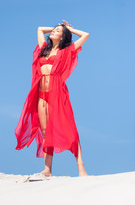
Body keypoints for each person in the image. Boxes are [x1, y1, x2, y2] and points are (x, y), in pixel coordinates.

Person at [15, 20, 89, 178]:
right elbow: (40, 29)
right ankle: (47, 169)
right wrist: (57, 26)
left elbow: (86, 35)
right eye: (54, 30)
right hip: (41, 93)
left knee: (69, 129)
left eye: (57, 31)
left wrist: (69, 29)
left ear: (63, 36)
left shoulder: (67, 50)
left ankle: (80, 166)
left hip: (57, 93)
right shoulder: (43, 49)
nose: (53, 32)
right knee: (44, 131)